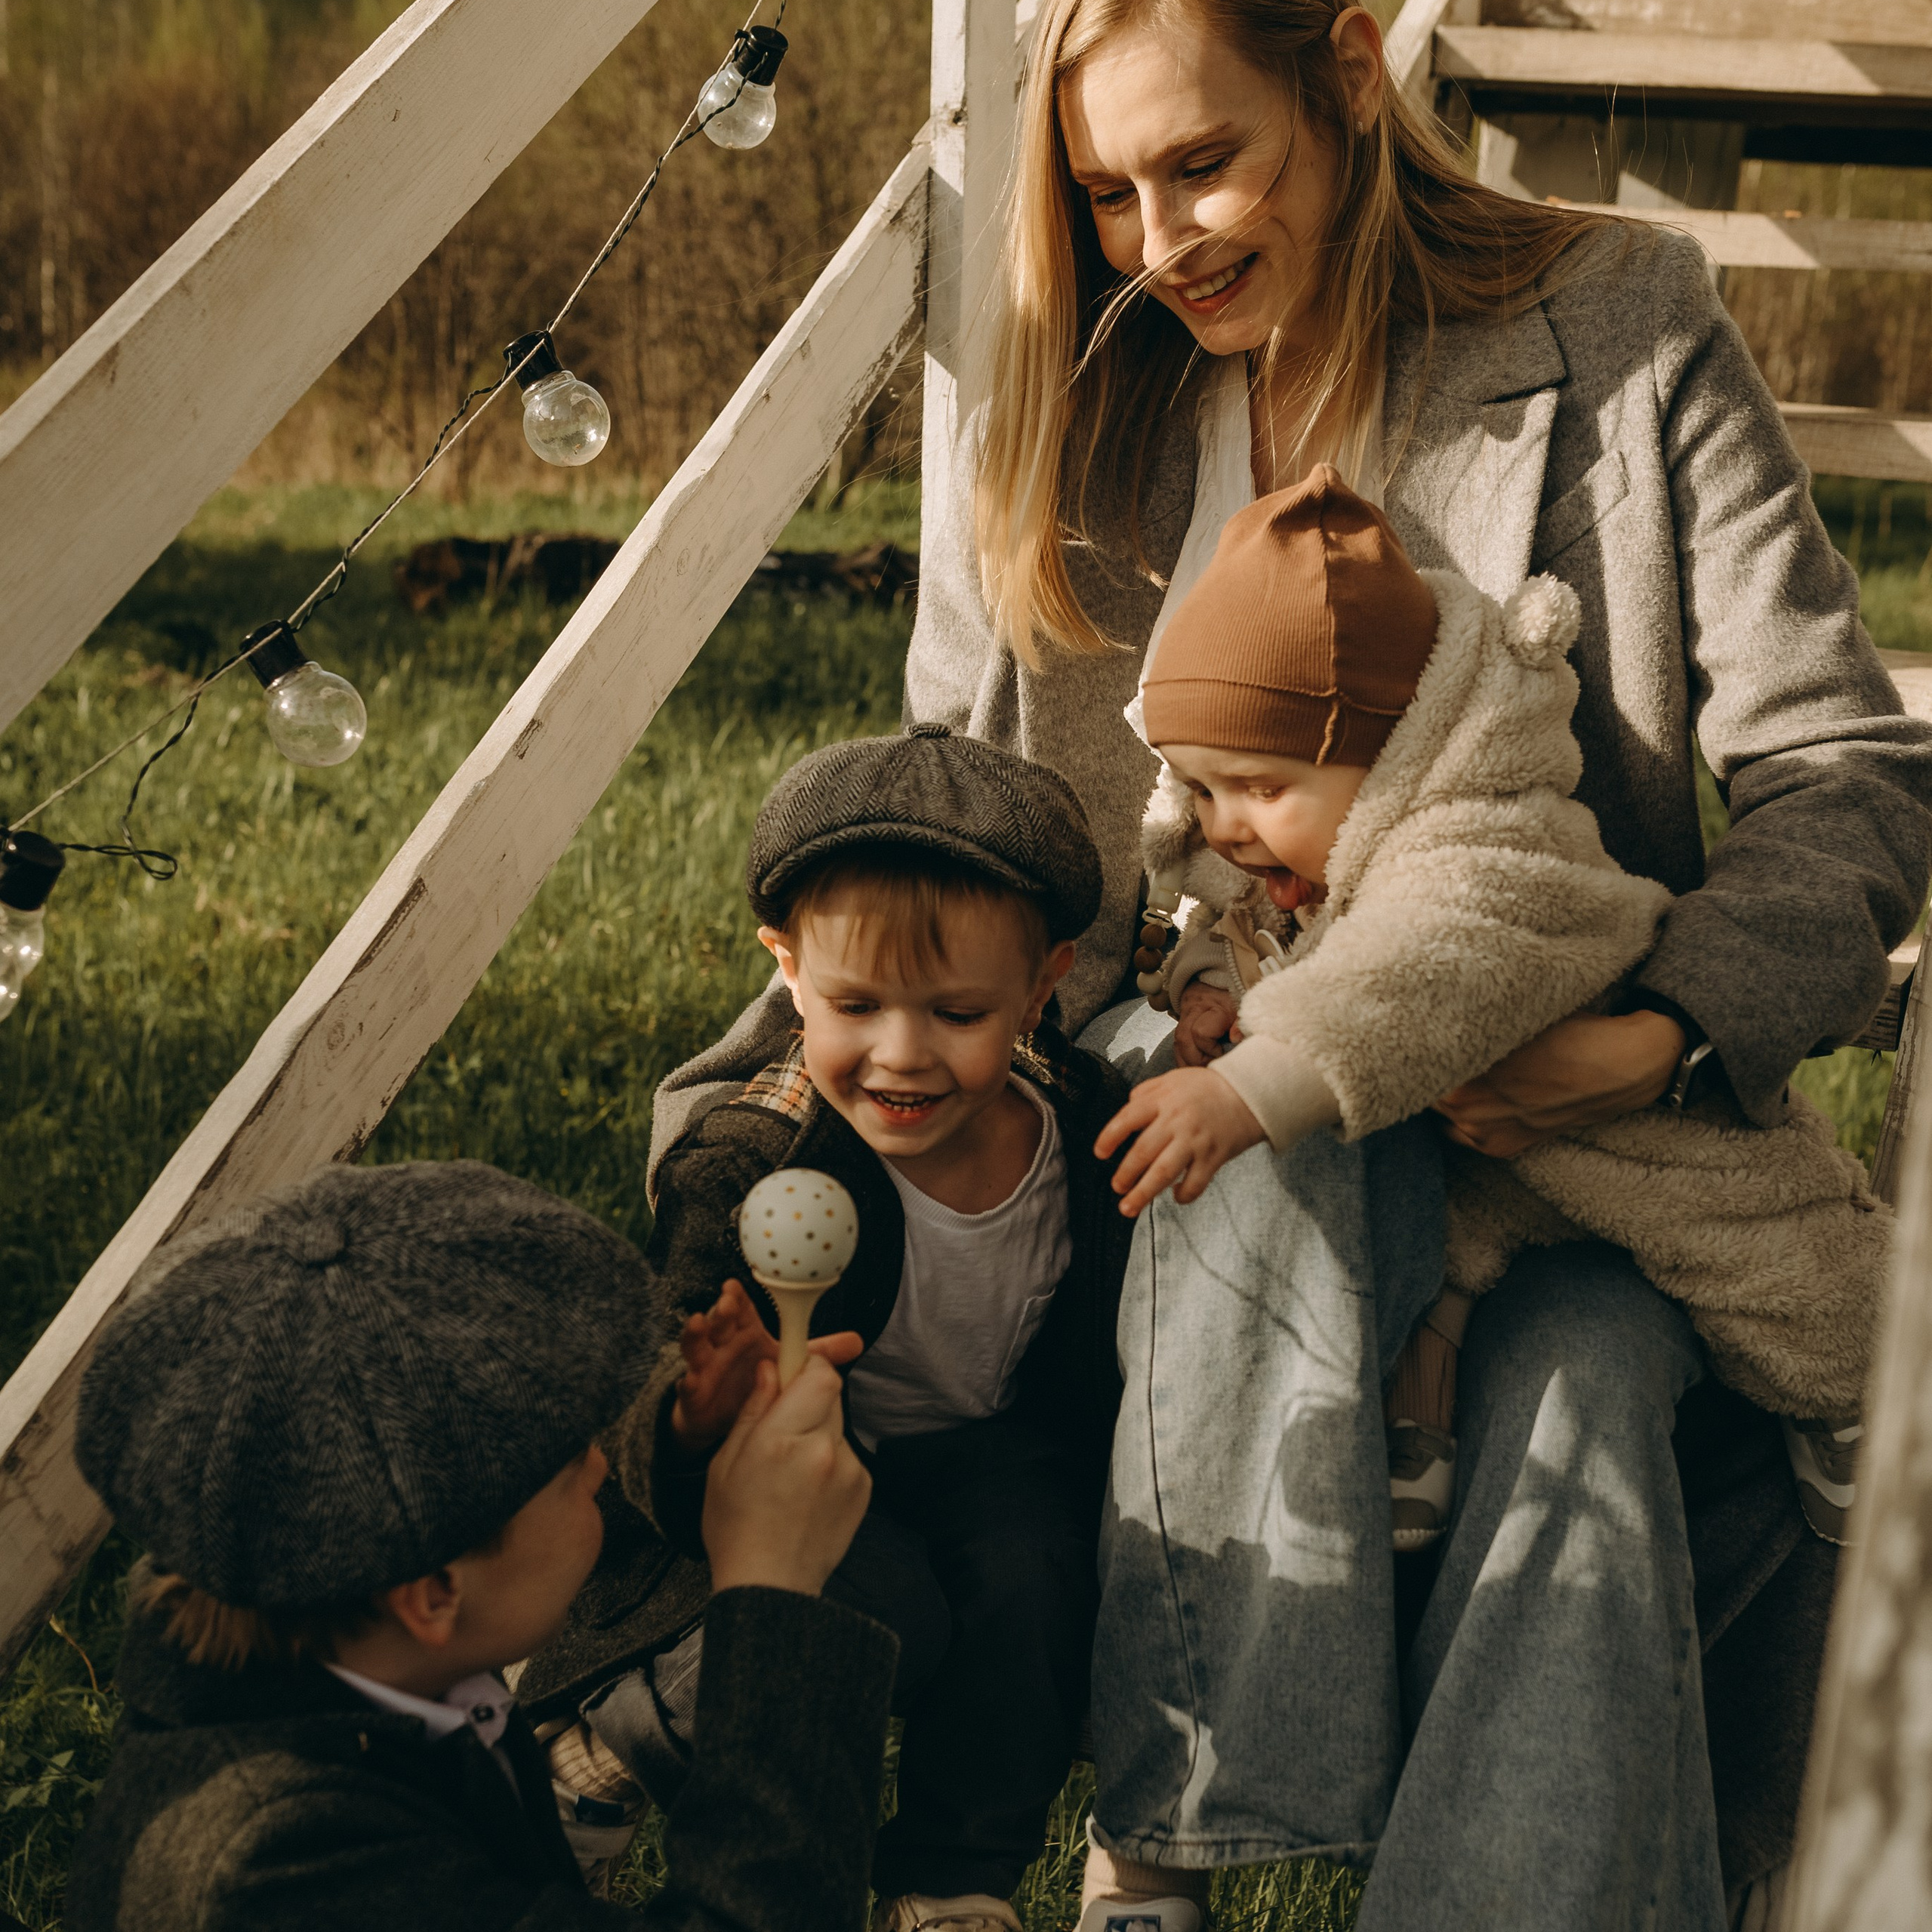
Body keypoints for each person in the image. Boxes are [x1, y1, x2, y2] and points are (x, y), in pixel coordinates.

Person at [656, 3, 1932, 1927]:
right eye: (1103, 192)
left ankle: (1273, 1877)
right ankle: (1162, 1865)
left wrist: (1652, 1035)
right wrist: (746, 1119)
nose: (1158, 236)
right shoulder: (1073, 399)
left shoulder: (1622, 320)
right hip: (1180, 1092)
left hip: (1555, 1100)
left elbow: (1841, 767)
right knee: (1327, 1188)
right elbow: (956, 840)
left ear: (1348, 71)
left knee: (1580, 1362)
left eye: (1201, 162)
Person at [1107, 462, 1884, 1552]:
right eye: (1198, 787)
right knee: (1444, 1259)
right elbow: (1258, 930)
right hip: (1485, 1162)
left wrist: (1246, 1086)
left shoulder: (1486, 846)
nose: (1226, 825)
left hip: (1645, 1138)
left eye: (1259, 787)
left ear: (1390, 756)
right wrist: (1206, 988)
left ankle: (1865, 1395)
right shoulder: (1307, 844)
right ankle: (1419, 1414)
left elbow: (1401, 970)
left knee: (1786, 1268)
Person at [529, 726, 1134, 1932]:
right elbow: (646, 1368)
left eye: (957, 1010)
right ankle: (610, 1743)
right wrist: (697, 1408)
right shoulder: (756, 1159)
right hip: (801, 1463)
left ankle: (953, 1881)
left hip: (988, 1451)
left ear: (1045, 979)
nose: (901, 1053)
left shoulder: (1082, 1122)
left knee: (1033, 1579)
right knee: (874, 1612)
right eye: (854, 1003)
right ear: (786, 968)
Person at [65, 1160, 889, 1932]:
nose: (602, 1459)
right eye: (573, 1464)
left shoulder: (332, 1612)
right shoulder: (280, 1877)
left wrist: (682, 1434)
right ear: (433, 1594)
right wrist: (772, 1591)